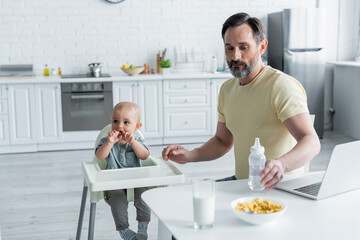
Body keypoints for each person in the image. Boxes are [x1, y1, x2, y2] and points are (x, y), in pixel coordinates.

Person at [162, 12, 321, 190]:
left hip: (281, 187)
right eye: (229, 48)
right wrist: (190, 155)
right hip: (244, 182)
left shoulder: (280, 86)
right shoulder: (227, 90)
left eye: (243, 47)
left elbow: (311, 142)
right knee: (190, 197)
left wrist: (281, 165)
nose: (235, 56)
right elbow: (222, 141)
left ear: (262, 47)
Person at [96, 102, 151, 240]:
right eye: (116, 121)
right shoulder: (107, 140)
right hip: (114, 181)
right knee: (117, 199)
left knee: (144, 195)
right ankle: (124, 230)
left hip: (135, 179)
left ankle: (142, 228)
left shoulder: (137, 140)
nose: (120, 126)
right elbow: (100, 156)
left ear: (136, 126)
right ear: (111, 122)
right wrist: (109, 143)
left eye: (126, 122)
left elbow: (144, 155)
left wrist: (133, 143)